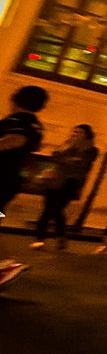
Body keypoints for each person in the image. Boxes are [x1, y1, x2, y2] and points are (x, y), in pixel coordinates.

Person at [0, 85, 48, 286]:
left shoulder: (19, 122)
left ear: (15, 99)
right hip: (8, 182)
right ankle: (5, 266)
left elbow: (15, 140)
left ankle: (6, 265)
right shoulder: (35, 125)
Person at [30, 124, 99, 251]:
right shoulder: (66, 144)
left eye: (79, 132)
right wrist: (69, 158)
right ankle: (43, 238)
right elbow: (55, 156)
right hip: (55, 179)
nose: (75, 134)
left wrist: (67, 158)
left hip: (71, 182)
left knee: (56, 208)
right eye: (74, 131)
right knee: (48, 209)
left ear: (87, 135)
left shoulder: (91, 149)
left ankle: (54, 237)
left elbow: (82, 162)